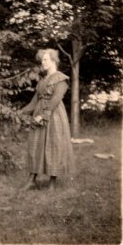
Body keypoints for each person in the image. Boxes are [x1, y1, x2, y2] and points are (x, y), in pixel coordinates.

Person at [20, 48, 73, 191]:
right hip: (38, 113)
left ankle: (52, 183)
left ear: (53, 61)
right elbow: (34, 101)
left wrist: (43, 116)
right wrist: (19, 113)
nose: (42, 62)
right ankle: (32, 180)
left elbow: (56, 99)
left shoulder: (61, 78)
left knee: (54, 146)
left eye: (45, 60)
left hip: (54, 115)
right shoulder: (42, 81)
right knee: (35, 145)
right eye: (42, 60)